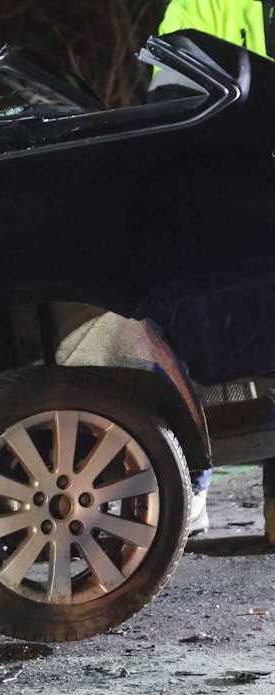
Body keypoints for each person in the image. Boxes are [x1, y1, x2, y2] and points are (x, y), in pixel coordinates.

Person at [153, 0, 271, 532]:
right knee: (205, 331)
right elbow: (174, 107)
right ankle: (191, 482)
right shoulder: (204, 3)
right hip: (227, 198)